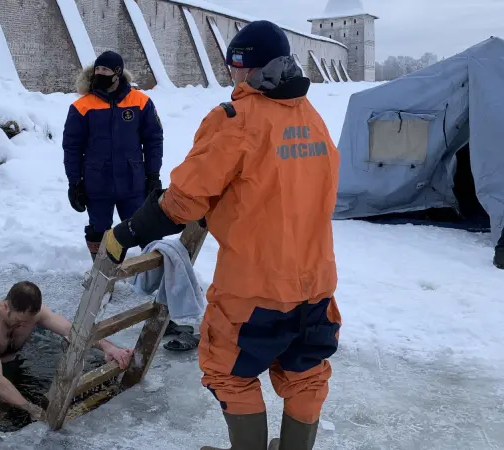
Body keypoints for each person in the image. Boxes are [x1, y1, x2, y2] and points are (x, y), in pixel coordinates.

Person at [100, 21, 342, 450]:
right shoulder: (311, 118)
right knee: (305, 374)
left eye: (233, 67)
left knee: (228, 370)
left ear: (248, 67)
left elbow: (183, 202)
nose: (231, 76)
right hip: (317, 287)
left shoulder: (236, 119)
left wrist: (128, 231)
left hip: (254, 289)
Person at [0, 281, 134, 422]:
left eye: (27, 321)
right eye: (18, 321)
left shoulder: (34, 315)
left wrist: (108, 347)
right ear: (5, 307)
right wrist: (32, 409)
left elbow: (72, 331)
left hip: (13, 371)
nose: (23, 325)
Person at [63, 50, 164, 262]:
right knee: (99, 232)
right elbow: (72, 148)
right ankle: (103, 274)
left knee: (143, 228)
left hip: (133, 182)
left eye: (105, 70)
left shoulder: (141, 102)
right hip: (97, 183)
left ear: (117, 73)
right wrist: (75, 183)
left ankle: (154, 273)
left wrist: (153, 175)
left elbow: (153, 139)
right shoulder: (82, 106)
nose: (100, 73)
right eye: (97, 69)